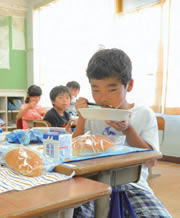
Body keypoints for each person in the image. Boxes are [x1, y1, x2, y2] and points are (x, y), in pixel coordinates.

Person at [73, 48, 171, 217]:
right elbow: (73, 150)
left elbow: (151, 162)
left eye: (112, 90)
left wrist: (128, 130)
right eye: (96, 90)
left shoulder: (143, 113)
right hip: (92, 186)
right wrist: (83, 116)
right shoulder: (92, 114)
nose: (102, 98)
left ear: (129, 85)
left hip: (133, 186)